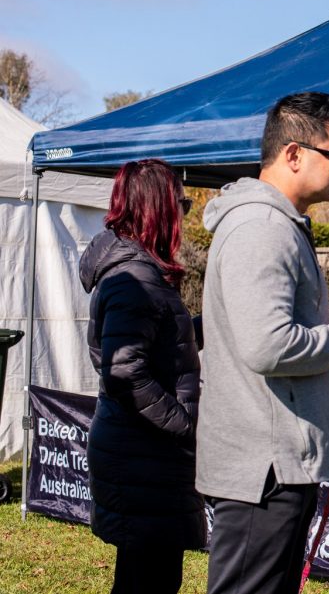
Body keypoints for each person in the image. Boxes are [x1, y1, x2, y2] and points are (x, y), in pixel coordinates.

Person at [197, 92, 329, 594]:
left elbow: (260, 353)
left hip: (271, 465)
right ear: (293, 154)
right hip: (263, 474)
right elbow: (267, 346)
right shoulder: (262, 228)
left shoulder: (277, 226)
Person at [79, 159, 205, 594]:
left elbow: (157, 343)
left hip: (143, 456)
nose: (185, 215)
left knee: (143, 577)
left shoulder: (139, 271)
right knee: (147, 580)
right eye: (182, 204)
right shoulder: (132, 277)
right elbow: (125, 374)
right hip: (141, 456)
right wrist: (183, 423)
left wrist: (211, 325)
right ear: (157, 208)